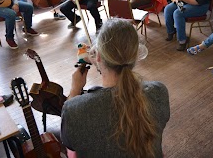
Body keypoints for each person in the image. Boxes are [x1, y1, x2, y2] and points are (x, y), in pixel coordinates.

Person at [61, 18, 170, 157]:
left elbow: (72, 154)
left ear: (98, 56)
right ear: (136, 55)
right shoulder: (159, 92)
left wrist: (74, 90)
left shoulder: (74, 110)